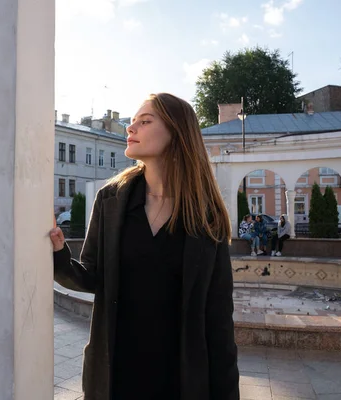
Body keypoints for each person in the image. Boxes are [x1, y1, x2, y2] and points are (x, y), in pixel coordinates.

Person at [50, 93, 239, 400]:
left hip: (180, 380)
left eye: (145, 121)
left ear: (176, 132)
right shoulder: (111, 200)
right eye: (133, 121)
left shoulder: (206, 215)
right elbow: (90, 277)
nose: (131, 127)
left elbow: (218, 319)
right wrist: (59, 254)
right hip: (117, 374)